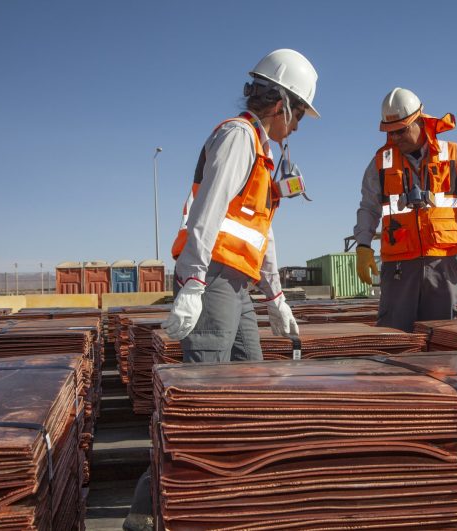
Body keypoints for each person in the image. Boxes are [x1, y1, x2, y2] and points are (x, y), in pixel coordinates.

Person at [123, 48, 320, 531]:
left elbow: (261, 233)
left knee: (249, 383)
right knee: (203, 392)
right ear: (283, 106)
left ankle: (225, 493)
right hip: (211, 280)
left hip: (238, 285)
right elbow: (206, 213)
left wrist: (276, 297)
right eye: (299, 118)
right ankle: (150, 506)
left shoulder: (262, 151)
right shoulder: (238, 138)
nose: (297, 129)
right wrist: (191, 282)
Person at [353, 88, 457, 333]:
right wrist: (363, 247)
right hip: (398, 265)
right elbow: (368, 208)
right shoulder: (381, 163)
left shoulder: (453, 155)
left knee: (442, 334)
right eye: (390, 132)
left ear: (419, 120)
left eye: (401, 130)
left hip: (441, 261)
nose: (395, 137)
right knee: (394, 334)